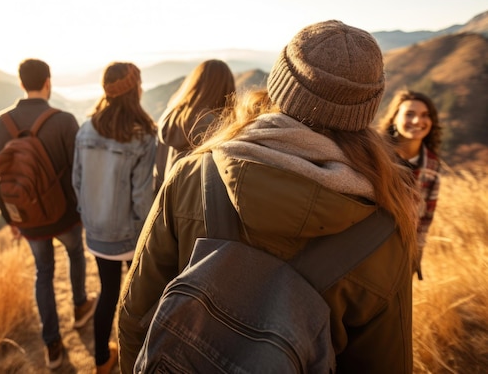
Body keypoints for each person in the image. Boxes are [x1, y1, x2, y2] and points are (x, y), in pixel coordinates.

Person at [118, 21, 419, 373]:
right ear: (366, 109)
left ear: (279, 85)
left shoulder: (195, 176)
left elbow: (135, 315)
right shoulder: (383, 232)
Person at [0, 59, 97, 370]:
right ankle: (80, 306)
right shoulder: (63, 121)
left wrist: (12, 220)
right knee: (76, 254)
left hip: (28, 219)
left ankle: (52, 345)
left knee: (43, 273)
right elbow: (80, 173)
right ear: (48, 81)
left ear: (21, 83)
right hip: (64, 215)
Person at [72, 62, 157, 374]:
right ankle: (140, 357)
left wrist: (91, 219)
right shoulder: (144, 136)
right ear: (134, 90)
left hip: (96, 233)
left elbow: (77, 183)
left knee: (108, 292)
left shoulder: (86, 129)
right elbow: (140, 198)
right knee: (138, 295)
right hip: (129, 235)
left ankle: (101, 360)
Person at [379, 89, 442, 278]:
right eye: (409, 114)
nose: (417, 121)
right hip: (368, 242)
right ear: (394, 118)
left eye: (425, 115)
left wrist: (417, 252)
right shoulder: (375, 152)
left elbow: (426, 217)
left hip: (402, 249)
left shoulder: (431, 165)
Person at [153, 59, 235, 193]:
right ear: (226, 87)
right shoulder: (219, 127)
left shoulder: (170, 117)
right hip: (198, 207)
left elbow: (159, 170)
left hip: (168, 200)